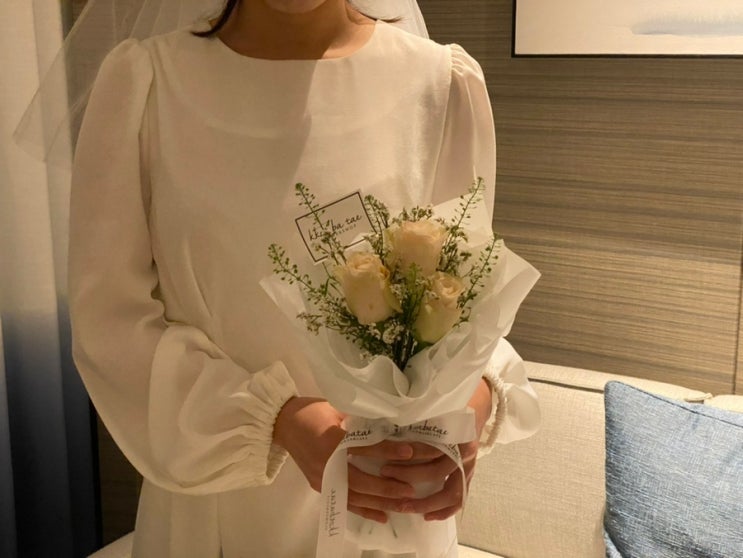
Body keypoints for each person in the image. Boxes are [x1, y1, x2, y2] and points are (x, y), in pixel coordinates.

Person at [56, 0, 541, 556]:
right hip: (220, 505)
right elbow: (109, 323)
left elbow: (462, 294)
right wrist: (275, 421)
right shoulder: (148, 85)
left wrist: (472, 404)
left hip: (391, 507)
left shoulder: (439, 83)